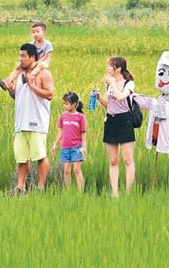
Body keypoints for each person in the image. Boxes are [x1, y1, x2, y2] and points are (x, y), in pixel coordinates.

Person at [7, 43, 55, 194]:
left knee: (40, 156)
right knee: (21, 158)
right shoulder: (21, 74)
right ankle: (20, 187)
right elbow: (17, 96)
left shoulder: (43, 74)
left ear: (32, 57)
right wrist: (10, 88)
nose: (20, 59)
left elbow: (50, 94)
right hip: (20, 123)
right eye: (19, 56)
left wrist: (32, 86)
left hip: (36, 122)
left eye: (23, 56)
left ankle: (40, 187)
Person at [95, 57, 136, 197]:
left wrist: (112, 83)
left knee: (127, 159)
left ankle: (129, 192)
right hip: (111, 121)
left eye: (110, 66)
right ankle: (115, 193)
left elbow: (120, 97)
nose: (107, 69)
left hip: (125, 121)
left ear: (118, 69)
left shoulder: (129, 84)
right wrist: (99, 98)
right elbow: (111, 105)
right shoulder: (108, 84)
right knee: (113, 160)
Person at [0, 21, 52, 91]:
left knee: (40, 66)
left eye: (38, 32)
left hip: (43, 63)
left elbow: (45, 57)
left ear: (44, 32)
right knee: (19, 67)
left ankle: (29, 77)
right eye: (33, 32)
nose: (35, 34)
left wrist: (37, 62)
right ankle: (8, 81)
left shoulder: (47, 44)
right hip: (33, 62)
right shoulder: (31, 43)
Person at [50, 92, 87, 191]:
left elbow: (83, 134)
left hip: (76, 147)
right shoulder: (63, 116)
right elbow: (60, 132)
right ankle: (68, 191)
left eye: (66, 103)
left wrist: (84, 147)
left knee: (76, 170)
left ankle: (80, 192)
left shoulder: (80, 117)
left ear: (74, 104)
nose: (64, 106)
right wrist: (55, 144)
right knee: (66, 170)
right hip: (65, 148)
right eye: (64, 103)